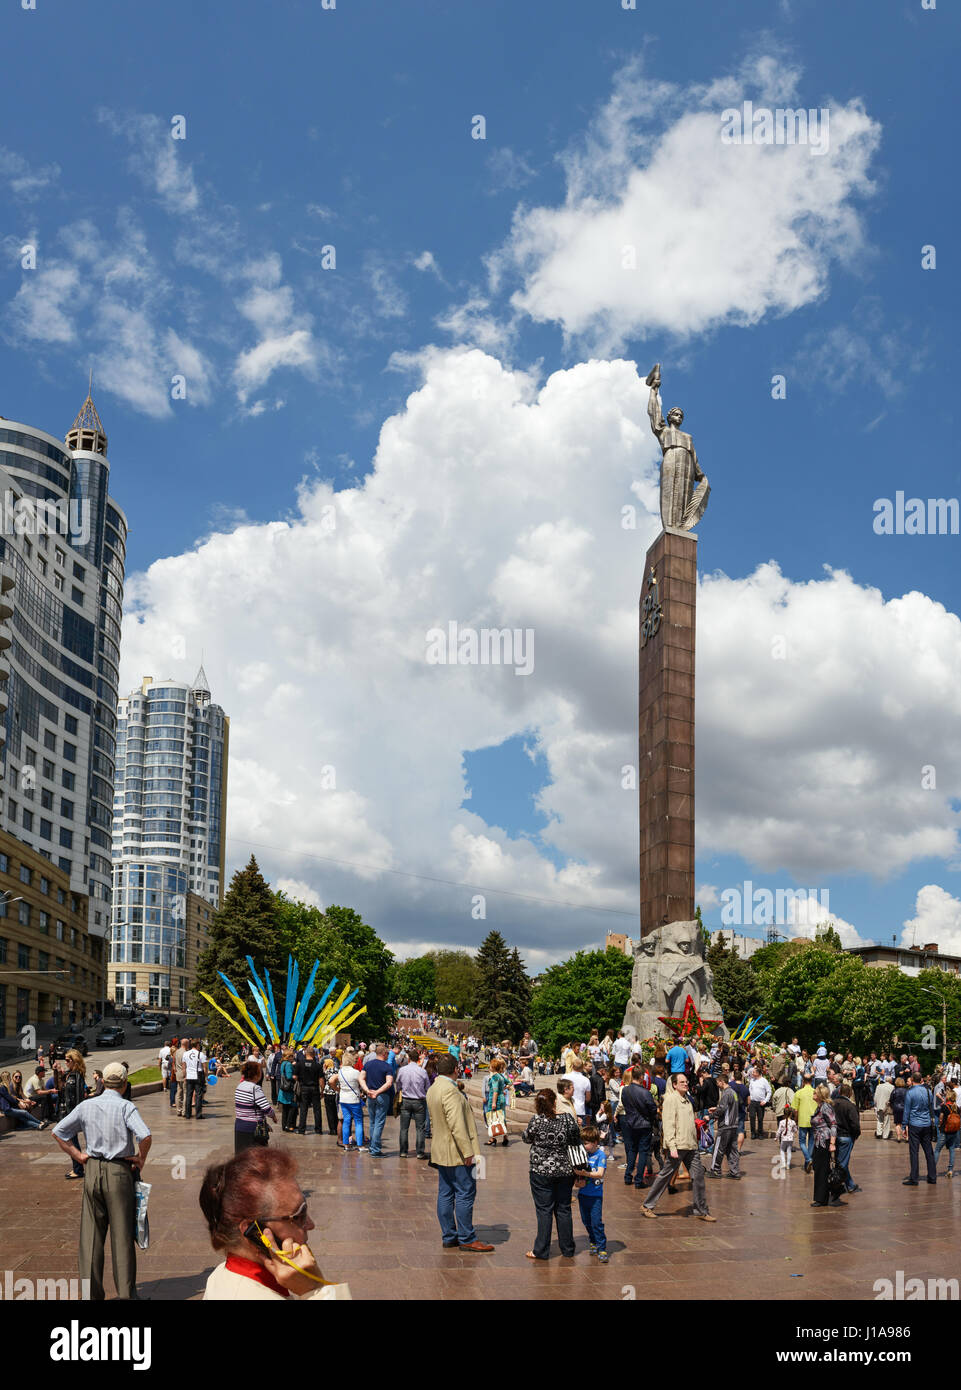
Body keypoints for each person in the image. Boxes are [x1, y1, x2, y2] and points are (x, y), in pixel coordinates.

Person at [51, 1062, 151, 1301]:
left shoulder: (87, 1105)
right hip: (119, 1171)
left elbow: (58, 1132)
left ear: (103, 1083)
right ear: (125, 1084)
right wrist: (140, 1158)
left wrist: (77, 1155)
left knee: (91, 1237)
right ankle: (126, 1294)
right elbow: (145, 1135)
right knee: (122, 1236)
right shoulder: (126, 1107)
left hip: (92, 1168)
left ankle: (91, 1295)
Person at [200, 1147, 350, 1300]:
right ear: (256, 1232)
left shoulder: (220, 1274)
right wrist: (314, 1289)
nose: (311, 1225)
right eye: (299, 1215)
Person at [426, 1053, 492, 1252]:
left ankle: (449, 1235)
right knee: (465, 1193)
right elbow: (457, 1125)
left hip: (440, 1149)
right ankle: (466, 1237)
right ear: (456, 1069)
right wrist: (468, 1152)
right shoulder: (451, 1092)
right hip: (457, 1152)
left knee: (445, 1193)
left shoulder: (434, 1088)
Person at [641, 1074, 715, 1222]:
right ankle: (647, 1205)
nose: (686, 1084)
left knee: (698, 1176)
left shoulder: (687, 1099)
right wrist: (672, 1146)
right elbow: (668, 1124)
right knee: (665, 1176)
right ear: (674, 1084)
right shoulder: (670, 1100)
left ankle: (701, 1210)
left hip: (691, 1145)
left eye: (686, 1081)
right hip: (678, 1145)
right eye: (682, 1082)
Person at [522, 1088, 581, 1260]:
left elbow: (526, 1138)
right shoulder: (567, 1119)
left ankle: (541, 1250)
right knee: (563, 1209)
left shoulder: (537, 1120)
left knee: (544, 1210)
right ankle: (568, 1248)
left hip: (541, 1171)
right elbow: (576, 1138)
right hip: (564, 1170)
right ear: (555, 1101)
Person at [573, 1123, 609, 1262]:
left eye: (586, 1143)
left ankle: (602, 1248)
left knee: (596, 1222)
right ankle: (593, 1240)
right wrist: (577, 1178)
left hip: (595, 1196)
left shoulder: (600, 1155)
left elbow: (600, 1174)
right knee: (586, 1221)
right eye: (582, 1142)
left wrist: (584, 1173)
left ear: (595, 1143)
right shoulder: (583, 1154)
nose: (583, 1145)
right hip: (583, 1194)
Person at [619, 1069, 658, 1189]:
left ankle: (628, 1176)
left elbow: (625, 1104)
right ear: (641, 1077)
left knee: (632, 1150)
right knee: (642, 1152)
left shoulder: (625, 1090)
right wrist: (650, 1119)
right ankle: (638, 1179)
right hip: (644, 1124)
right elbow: (652, 1109)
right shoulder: (645, 1093)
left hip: (630, 1123)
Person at [902, 1075, 937, 1186]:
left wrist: (904, 1126)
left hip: (914, 1124)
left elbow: (907, 1110)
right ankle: (932, 1176)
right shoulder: (928, 1092)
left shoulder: (910, 1093)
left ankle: (914, 1178)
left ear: (912, 1080)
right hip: (926, 1124)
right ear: (921, 1080)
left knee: (914, 1152)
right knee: (929, 1152)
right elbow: (931, 1106)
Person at [234, 1060, 276, 1153]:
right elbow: (267, 1109)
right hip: (253, 1129)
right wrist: (273, 1116)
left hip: (240, 1125)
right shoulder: (255, 1088)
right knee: (256, 1159)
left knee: (241, 1157)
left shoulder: (240, 1086)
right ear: (256, 1074)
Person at [361, 1044, 395, 1156]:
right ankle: (375, 1149)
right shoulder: (387, 1067)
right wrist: (378, 1092)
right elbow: (389, 1083)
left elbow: (360, 1078)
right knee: (379, 1122)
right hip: (381, 1095)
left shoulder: (368, 1064)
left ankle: (372, 1146)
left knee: (372, 1122)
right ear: (384, 1053)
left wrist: (367, 1090)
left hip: (370, 1095)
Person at [396, 1050, 430, 1159]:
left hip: (406, 1100)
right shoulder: (422, 1072)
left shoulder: (402, 1070)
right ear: (419, 1059)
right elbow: (427, 1087)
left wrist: (401, 1090)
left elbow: (398, 1084)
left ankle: (403, 1151)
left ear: (409, 1059)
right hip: (419, 1101)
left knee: (404, 1128)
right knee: (420, 1128)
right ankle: (420, 1152)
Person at [809, 1084, 839, 1207]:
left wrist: (832, 1143)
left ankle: (821, 1198)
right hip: (818, 1141)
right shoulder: (820, 1107)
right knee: (818, 1167)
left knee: (821, 1170)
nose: (813, 1095)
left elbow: (833, 1124)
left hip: (824, 1140)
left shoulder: (825, 1107)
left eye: (815, 1093)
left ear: (821, 1095)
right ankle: (823, 1195)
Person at [62, 1049, 88, 1179]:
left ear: (74, 1061)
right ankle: (77, 1168)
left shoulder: (77, 1076)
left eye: (67, 1060)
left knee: (70, 1140)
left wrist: (76, 1114)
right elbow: (59, 1088)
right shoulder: (69, 1074)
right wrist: (57, 1072)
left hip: (73, 1113)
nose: (65, 1063)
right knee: (71, 1140)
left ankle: (78, 1169)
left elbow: (79, 1098)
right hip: (68, 1112)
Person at [709, 1072, 740, 1179]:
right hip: (733, 1125)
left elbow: (722, 1109)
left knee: (718, 1149)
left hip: (725, 1125)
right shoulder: (733, 1092)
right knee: (732, 1150)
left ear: (722, 1082)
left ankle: (715, 1170)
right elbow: (728, 1107)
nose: (717, 1085)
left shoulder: (726, 1093)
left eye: (718, 1083)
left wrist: (711, 1116)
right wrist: (717, 1108)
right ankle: (734, 1172)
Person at [833, 1082, 862, 1193]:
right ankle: (836, 1184)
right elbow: (855, 1124)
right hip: (846, 1136)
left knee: (840, 1161)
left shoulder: (833, 1103)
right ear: (850, 1094)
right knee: (842, 1163)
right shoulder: (851, 1106)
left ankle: (849, 1184)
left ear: (839, 1092)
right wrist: (856, 1135)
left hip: (835, 1136)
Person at [337, 1049, 367, 1150]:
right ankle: (360, 1145)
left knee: (346, 1121)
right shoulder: (356, 1072)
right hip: (354, 1099)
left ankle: (346, 1144)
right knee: (358, 1122)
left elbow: (332, 1080)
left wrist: (337, 1089)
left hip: (343, 1099)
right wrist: (366, 1090)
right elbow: (362, 1083)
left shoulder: (340, 1071)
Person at [294, 1047, 323, 1136]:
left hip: (304, 1088)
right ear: (314, 1054)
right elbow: (321, 1079)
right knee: (317, 1109)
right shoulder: (317, 1065)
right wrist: (322, 1090)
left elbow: (294, 1077)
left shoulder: (299, 1064)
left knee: (303, 1109)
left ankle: (301, 1129)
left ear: (305, 1054)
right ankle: (318, 1129)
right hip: (314, 1088)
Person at [483, 1058, 510, 1147]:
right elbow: (509, 1083)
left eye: (490, 1066)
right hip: (502, 1098)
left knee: (492, 1118)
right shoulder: (501, 1076)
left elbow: (495, 1091)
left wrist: (493, 1103)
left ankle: (492, 1138)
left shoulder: (494, 1077)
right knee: (502, 1117)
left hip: (495, 1099)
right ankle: (505, 1137)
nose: (489, 1067)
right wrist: (503, 1089)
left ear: (493, 1067)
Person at [934, 1090, 959, 1176]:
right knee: (952, 1150)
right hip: (954, 1131)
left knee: (937, 1150)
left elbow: (941, 1118)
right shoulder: (957, 1108)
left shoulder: (944, 1107)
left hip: (945, 1131)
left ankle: (932, 1169)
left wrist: (939, 1125)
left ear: (948, 1097)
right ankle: (950, 1170)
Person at [795, 1076, 817, 1171]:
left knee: (802, 1142)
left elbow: (795, 1110)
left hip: (803, 1120)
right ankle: (808, 1162)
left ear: (803, 1081)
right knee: (811, 1141)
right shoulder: (816, 1092)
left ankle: (808, 1159)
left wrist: (796, 1120)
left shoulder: (799, 1092)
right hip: (814, 1120)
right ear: (811, 1081)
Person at [183, 1038, 206, 1120]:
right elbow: (204, 1067)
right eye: (199, 1045)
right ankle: (198, 1114)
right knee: (198, 1095)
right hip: (198, 1075)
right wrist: (205, 1076)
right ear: (197, 1045)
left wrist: (184, 1076)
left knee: (189, 1095)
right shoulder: (201, 1054)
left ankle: (188, 1114)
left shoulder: (185, 1054)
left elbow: (184, 1067)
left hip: (189, 1076)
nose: (200, 1046)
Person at [278, 1048, 298, 1134]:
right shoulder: (289, 1064)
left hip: (283, 1089)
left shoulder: (282, 1063)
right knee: (292, 1108)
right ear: (289, 1056)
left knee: (285, 1109)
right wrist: (296, 1076)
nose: (293, 1057)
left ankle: (284, 1125)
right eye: (292, 1056)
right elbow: (289, 1076)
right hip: (288, 1089)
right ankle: (289, 1125)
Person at [748, 1068, 771, 1140]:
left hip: (761, 1102)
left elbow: (769, 1091)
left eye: (754, 1072)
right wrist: (750, 1098)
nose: (752, 1074)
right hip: (753, 1102)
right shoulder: (752, 1080)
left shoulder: (764, 1081)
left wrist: (765, 1100)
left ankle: (760, 1133)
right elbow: (750, 1090)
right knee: (752, 1117)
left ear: (758, 1073)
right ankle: (753, 1133)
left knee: (760, 1118)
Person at [321, 1061, 340, 1137]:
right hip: (336, 1092)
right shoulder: (337, 1070)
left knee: (329, 1112)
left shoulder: (326, 1071)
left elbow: (325, 1080)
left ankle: (332, 1129)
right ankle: (337, 1127)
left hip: (328, 1093)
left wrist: (324, 1069)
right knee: (336, 1111)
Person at [776, 1106, 798, 1171]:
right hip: (790, 1139)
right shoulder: (793, 1122)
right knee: (789, 1151)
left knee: (782, 1150)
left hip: (784, 1139)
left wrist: (776, 1137)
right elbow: (795, 1130)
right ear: (791, 1114)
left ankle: (783, 1164)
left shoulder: (781, 1122)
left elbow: (779, 1131)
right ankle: (788, 1165)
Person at [873, 1073, 894, 1141]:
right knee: (886, 1121)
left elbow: (875, 1096)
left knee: (879, 1120)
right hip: (887, 1106)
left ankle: (879, 1133)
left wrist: (875, 1104)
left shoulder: (879, 1086)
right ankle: (885, 1135)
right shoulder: (892, 1087)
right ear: (890, 1081)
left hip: (879, 1105)